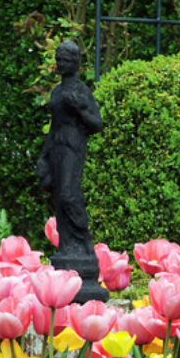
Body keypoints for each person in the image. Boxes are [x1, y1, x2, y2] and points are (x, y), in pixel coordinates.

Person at [36, 41, 104, 260]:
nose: (61, 64)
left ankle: (84, 241)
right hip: (56, 146)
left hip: (73, 147)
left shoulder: (81, 91)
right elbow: (54, 125)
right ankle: (67, 247)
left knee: (68, 194)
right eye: (59, 60)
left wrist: (80, 108)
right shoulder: (57, 92)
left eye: (66, 60)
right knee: (59, 198)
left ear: (76, 63)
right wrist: (44, 156)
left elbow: (97, 124)